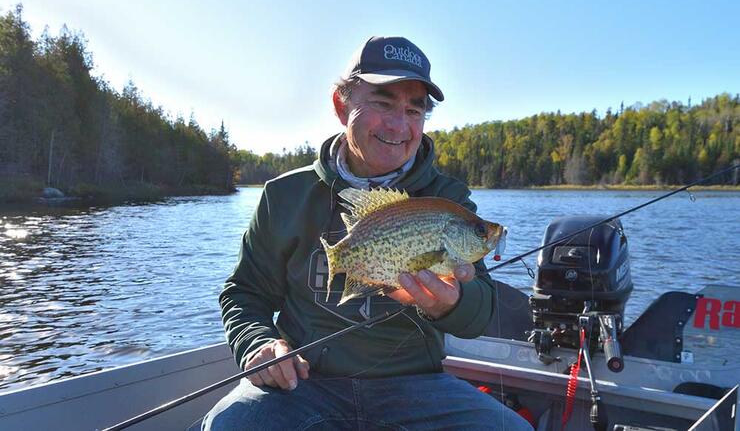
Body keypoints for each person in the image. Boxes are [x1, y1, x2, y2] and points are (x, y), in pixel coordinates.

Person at [202, 36, 532, 431]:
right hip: (304, 383)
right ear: (342, 107)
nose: (399, 125)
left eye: (414, 110)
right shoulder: (284, 196)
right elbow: (244, 293)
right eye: (383, 102)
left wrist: (453, 303)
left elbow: (479, 315)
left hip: (416, 387)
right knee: (228, 426)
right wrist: (259, 344)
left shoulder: (446, 200)